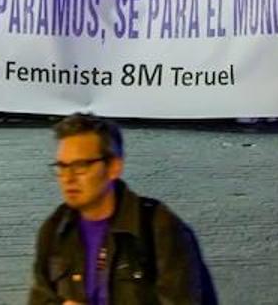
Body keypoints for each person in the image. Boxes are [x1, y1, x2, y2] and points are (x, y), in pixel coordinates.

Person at [28, 113, 214, 305]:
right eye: (62, 166)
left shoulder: (159, 229)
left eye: (80, 166)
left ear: (114, 167)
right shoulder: (55, 230)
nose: (68, 177)